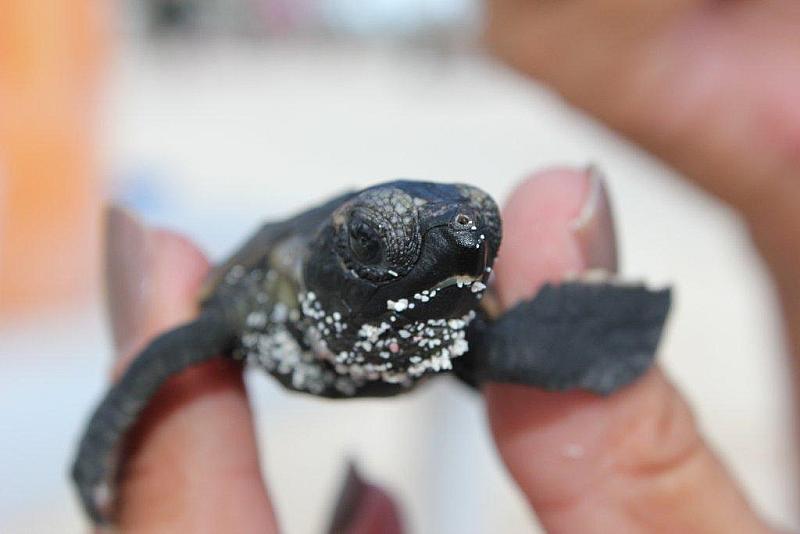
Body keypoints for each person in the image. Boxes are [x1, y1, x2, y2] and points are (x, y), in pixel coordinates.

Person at [103, 2, 798, 531]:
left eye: (481, 245)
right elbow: (158, 362)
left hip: (439, 347)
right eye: (376, 243)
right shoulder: (257, 301)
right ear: (333, 259)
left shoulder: (467, 334)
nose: (457, 248)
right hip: (306, 300)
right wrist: (102, 456)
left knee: (571, 392)